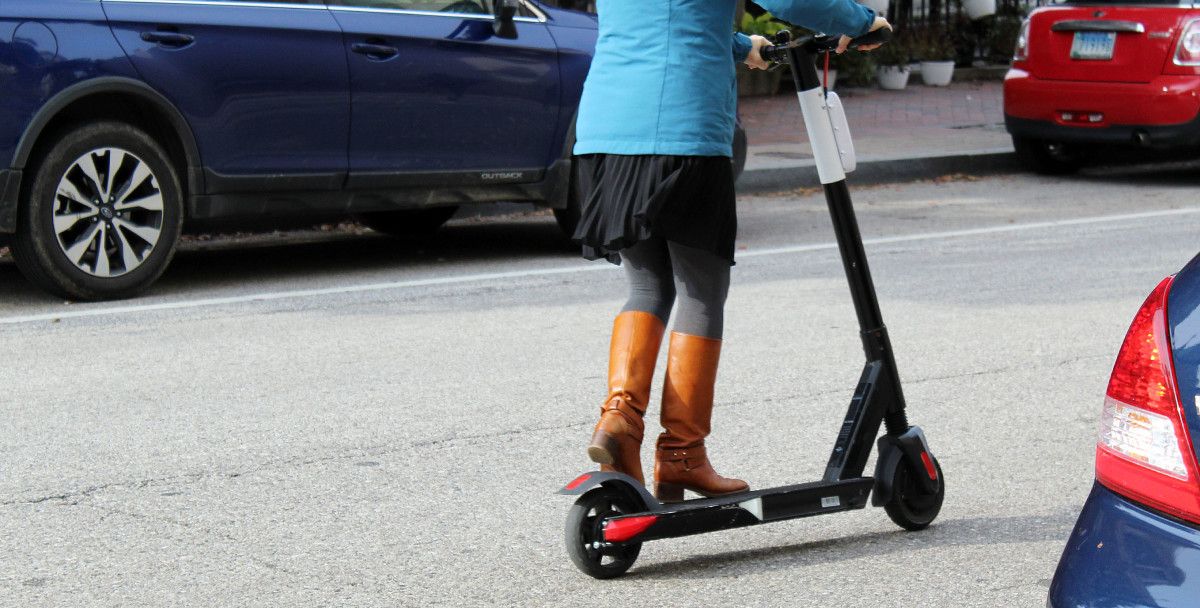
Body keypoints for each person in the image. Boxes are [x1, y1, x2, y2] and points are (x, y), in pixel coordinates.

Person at [575, 0, 890, 502]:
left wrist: (743, 47)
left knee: (646, 285)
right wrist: (859, 22)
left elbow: (668, 17)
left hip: (607, 127)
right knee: (701, 291)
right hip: (683, 127)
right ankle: (682, 454)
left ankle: (618, 418)